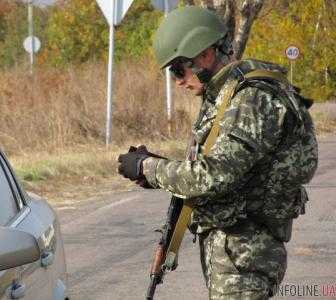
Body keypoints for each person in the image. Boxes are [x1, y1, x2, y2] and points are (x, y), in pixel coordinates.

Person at [117, 6, 318, 300]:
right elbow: (217, 166)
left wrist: (149, 168)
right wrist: (159, 169)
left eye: (178, 69)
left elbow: (214, 175)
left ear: (205, 55)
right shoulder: (226, 95)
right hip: (233, 249)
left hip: (245, 256)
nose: (177, 81)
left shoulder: (250, 99)